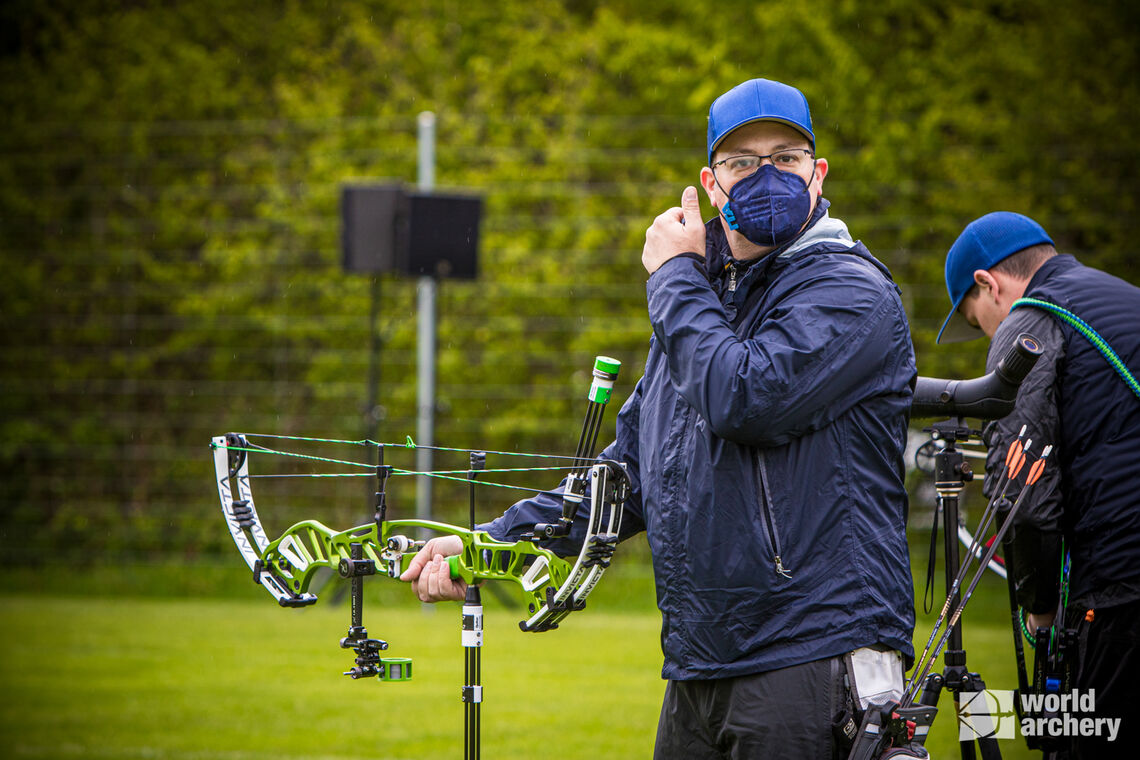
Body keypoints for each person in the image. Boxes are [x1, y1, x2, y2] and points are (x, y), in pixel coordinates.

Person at [404, 78, 918, 759]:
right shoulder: (702, 306)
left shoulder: (850, 290)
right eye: (743, 163)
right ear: (712, 184)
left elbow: (746, 398)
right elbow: (627, 481)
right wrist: (490, 543)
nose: (767, 176)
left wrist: (675, 277)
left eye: (786, 158)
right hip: (702, 663)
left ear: (818, 173)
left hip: (813, 652)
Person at [936, 211, 1140, 758]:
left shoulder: (1028, 321)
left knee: (1084, 740)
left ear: (988, 285)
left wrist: (1041, 605)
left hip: (1123, 582)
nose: (985, 331)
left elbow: (1023, 489)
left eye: (975, 318)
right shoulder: (1120, 296)